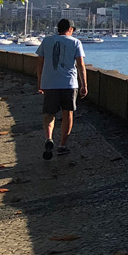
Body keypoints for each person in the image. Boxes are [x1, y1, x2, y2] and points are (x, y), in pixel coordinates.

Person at [36, 19, 87, 159]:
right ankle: (62, 145)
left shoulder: (46, 41)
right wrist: (84, 85)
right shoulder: (76, 42)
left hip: (49, 83)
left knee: (49, 114)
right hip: (69, 84)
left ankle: (48, 138)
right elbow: (81, 65)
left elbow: (39, 63)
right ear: (70, 29)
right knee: (68, 114)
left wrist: (40, 82)